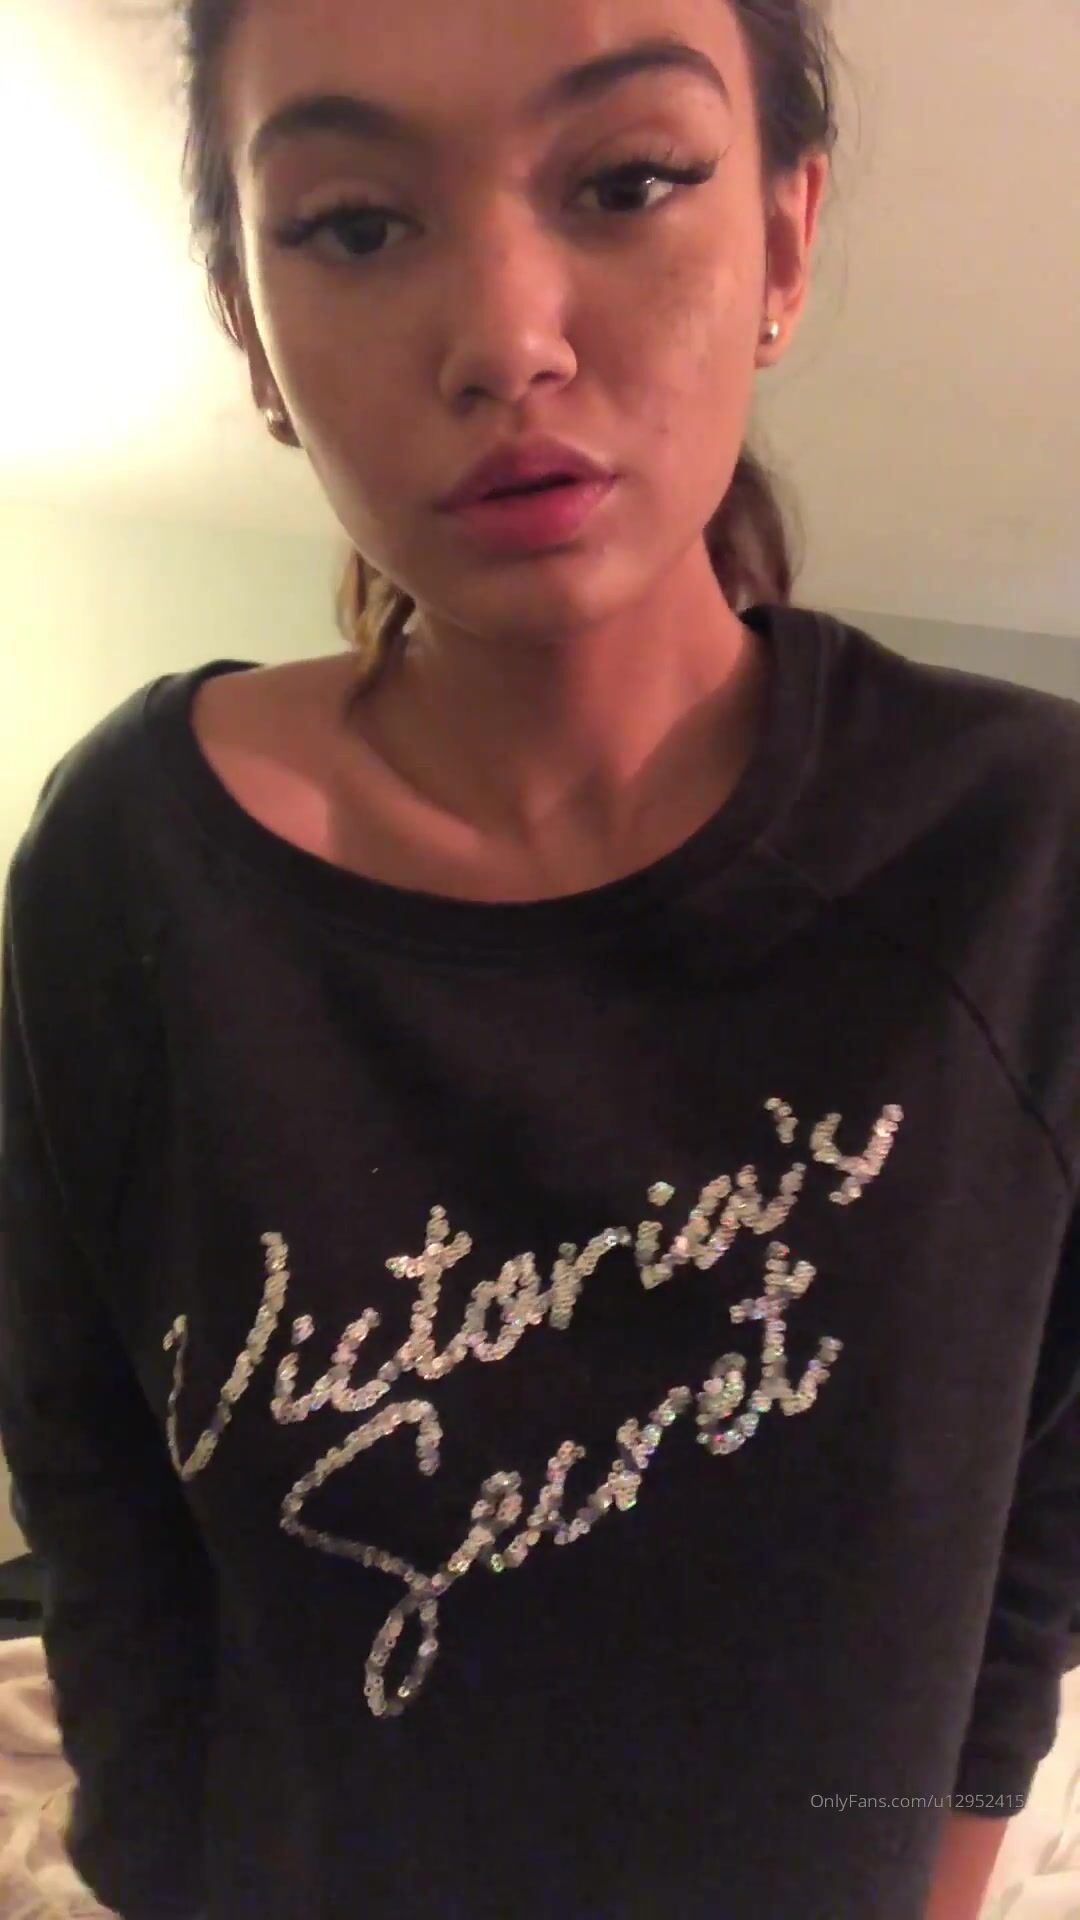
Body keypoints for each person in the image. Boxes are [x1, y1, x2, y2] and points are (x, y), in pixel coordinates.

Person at [0, 0, 1077, 1915]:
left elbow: (1043, 1497)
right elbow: (97, 1510)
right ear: (250, 329)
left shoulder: (1025, 849)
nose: (506, 339)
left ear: (783, 243)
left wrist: (931, 1870)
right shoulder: (127, 868)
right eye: (354, 224)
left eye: (629, 180)